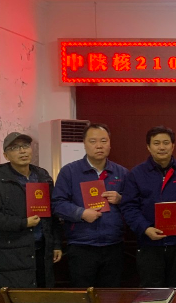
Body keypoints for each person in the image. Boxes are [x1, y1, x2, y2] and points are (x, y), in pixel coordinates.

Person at [0, 132, 62, 288]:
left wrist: (56, 244)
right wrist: (23, 223)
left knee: (43, 298)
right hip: (11, 255)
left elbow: (53, 212)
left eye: (25, 146)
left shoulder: (42, 176)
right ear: (6, 155)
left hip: (42, 252)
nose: (22, 151)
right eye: (15, 148)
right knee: (17, 300)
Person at [120, 126, 176, 287]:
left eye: (166, 143)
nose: (162, 147)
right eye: (156, 143)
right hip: (149, 244)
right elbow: (129, 206)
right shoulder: (136, 174)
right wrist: (145, 228)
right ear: (148, 147)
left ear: (173, 146)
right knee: (152, 292)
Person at [52, 123, 128, 287]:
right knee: (83, 295)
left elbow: (133, 206)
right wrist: (81, 213)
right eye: (93, 141)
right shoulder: (69, 172)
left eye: (103, 141)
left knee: (112, 295)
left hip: (113, 245)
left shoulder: (122, 173)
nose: (99, 146)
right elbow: (58, 203)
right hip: (82, 245)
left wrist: (121, 199)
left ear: (110, 144)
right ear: (84, 144)